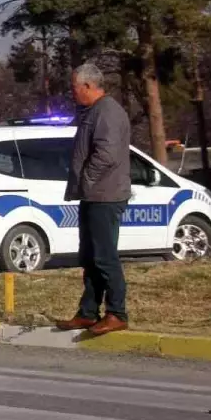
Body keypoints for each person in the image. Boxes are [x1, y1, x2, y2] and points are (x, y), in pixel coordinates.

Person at [56, 63, 132, 337]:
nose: (72, 92)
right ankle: (88, 312)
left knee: (104, 256)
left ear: (88, 86)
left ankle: (117, 312)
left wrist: (86, 179)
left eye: (74, 87)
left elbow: (107, 154)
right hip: (93, 195)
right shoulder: (93, 112)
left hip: (105, 195)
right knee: (89, 256)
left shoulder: (107, 112)